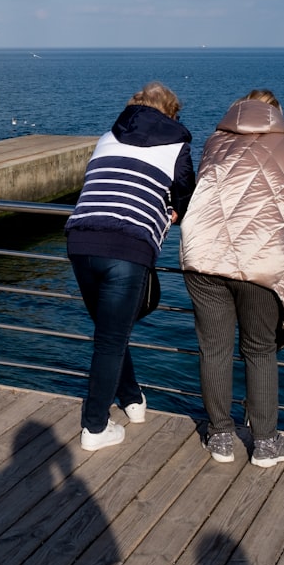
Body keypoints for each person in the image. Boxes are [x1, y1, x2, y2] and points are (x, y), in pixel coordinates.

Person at [180, 89, 284, 468]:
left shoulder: (216, 143)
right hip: (261, 262)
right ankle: (265, 443)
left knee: (214, 349)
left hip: (202, 256)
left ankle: (220, 437)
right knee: (259, 350)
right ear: (277, 115)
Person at [65, 81, 195, 452]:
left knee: (110, 332)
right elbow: (185, 195)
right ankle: (94, 427)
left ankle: (133, 399)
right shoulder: (176, 145)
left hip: (81, 238)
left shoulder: (107, 136)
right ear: (171, 112)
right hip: (127, 244)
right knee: (110, 339)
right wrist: (172, 211)